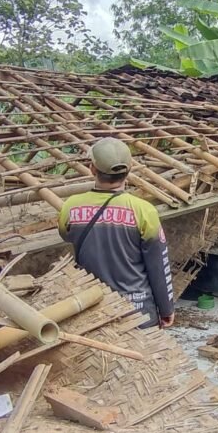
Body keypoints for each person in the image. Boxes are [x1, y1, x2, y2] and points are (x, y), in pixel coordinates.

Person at [58, 137, 175, 330]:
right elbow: (158, 265)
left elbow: (66, 235)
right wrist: (166, 308)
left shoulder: (71, 207)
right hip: (137, 309)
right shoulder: (144, 211)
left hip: (92, 305)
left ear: (92, 169)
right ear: (129, 170)